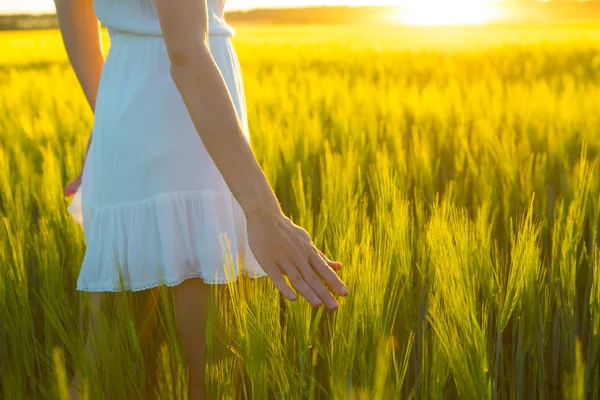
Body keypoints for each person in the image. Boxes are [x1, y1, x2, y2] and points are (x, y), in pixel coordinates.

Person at [55, 0, 349, 398]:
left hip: (123, 105)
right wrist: (265, 213)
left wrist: (107, 119)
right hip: (188, 123)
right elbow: (187, 53)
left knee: (99, 368)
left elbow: (77, 21)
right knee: (212, 374)